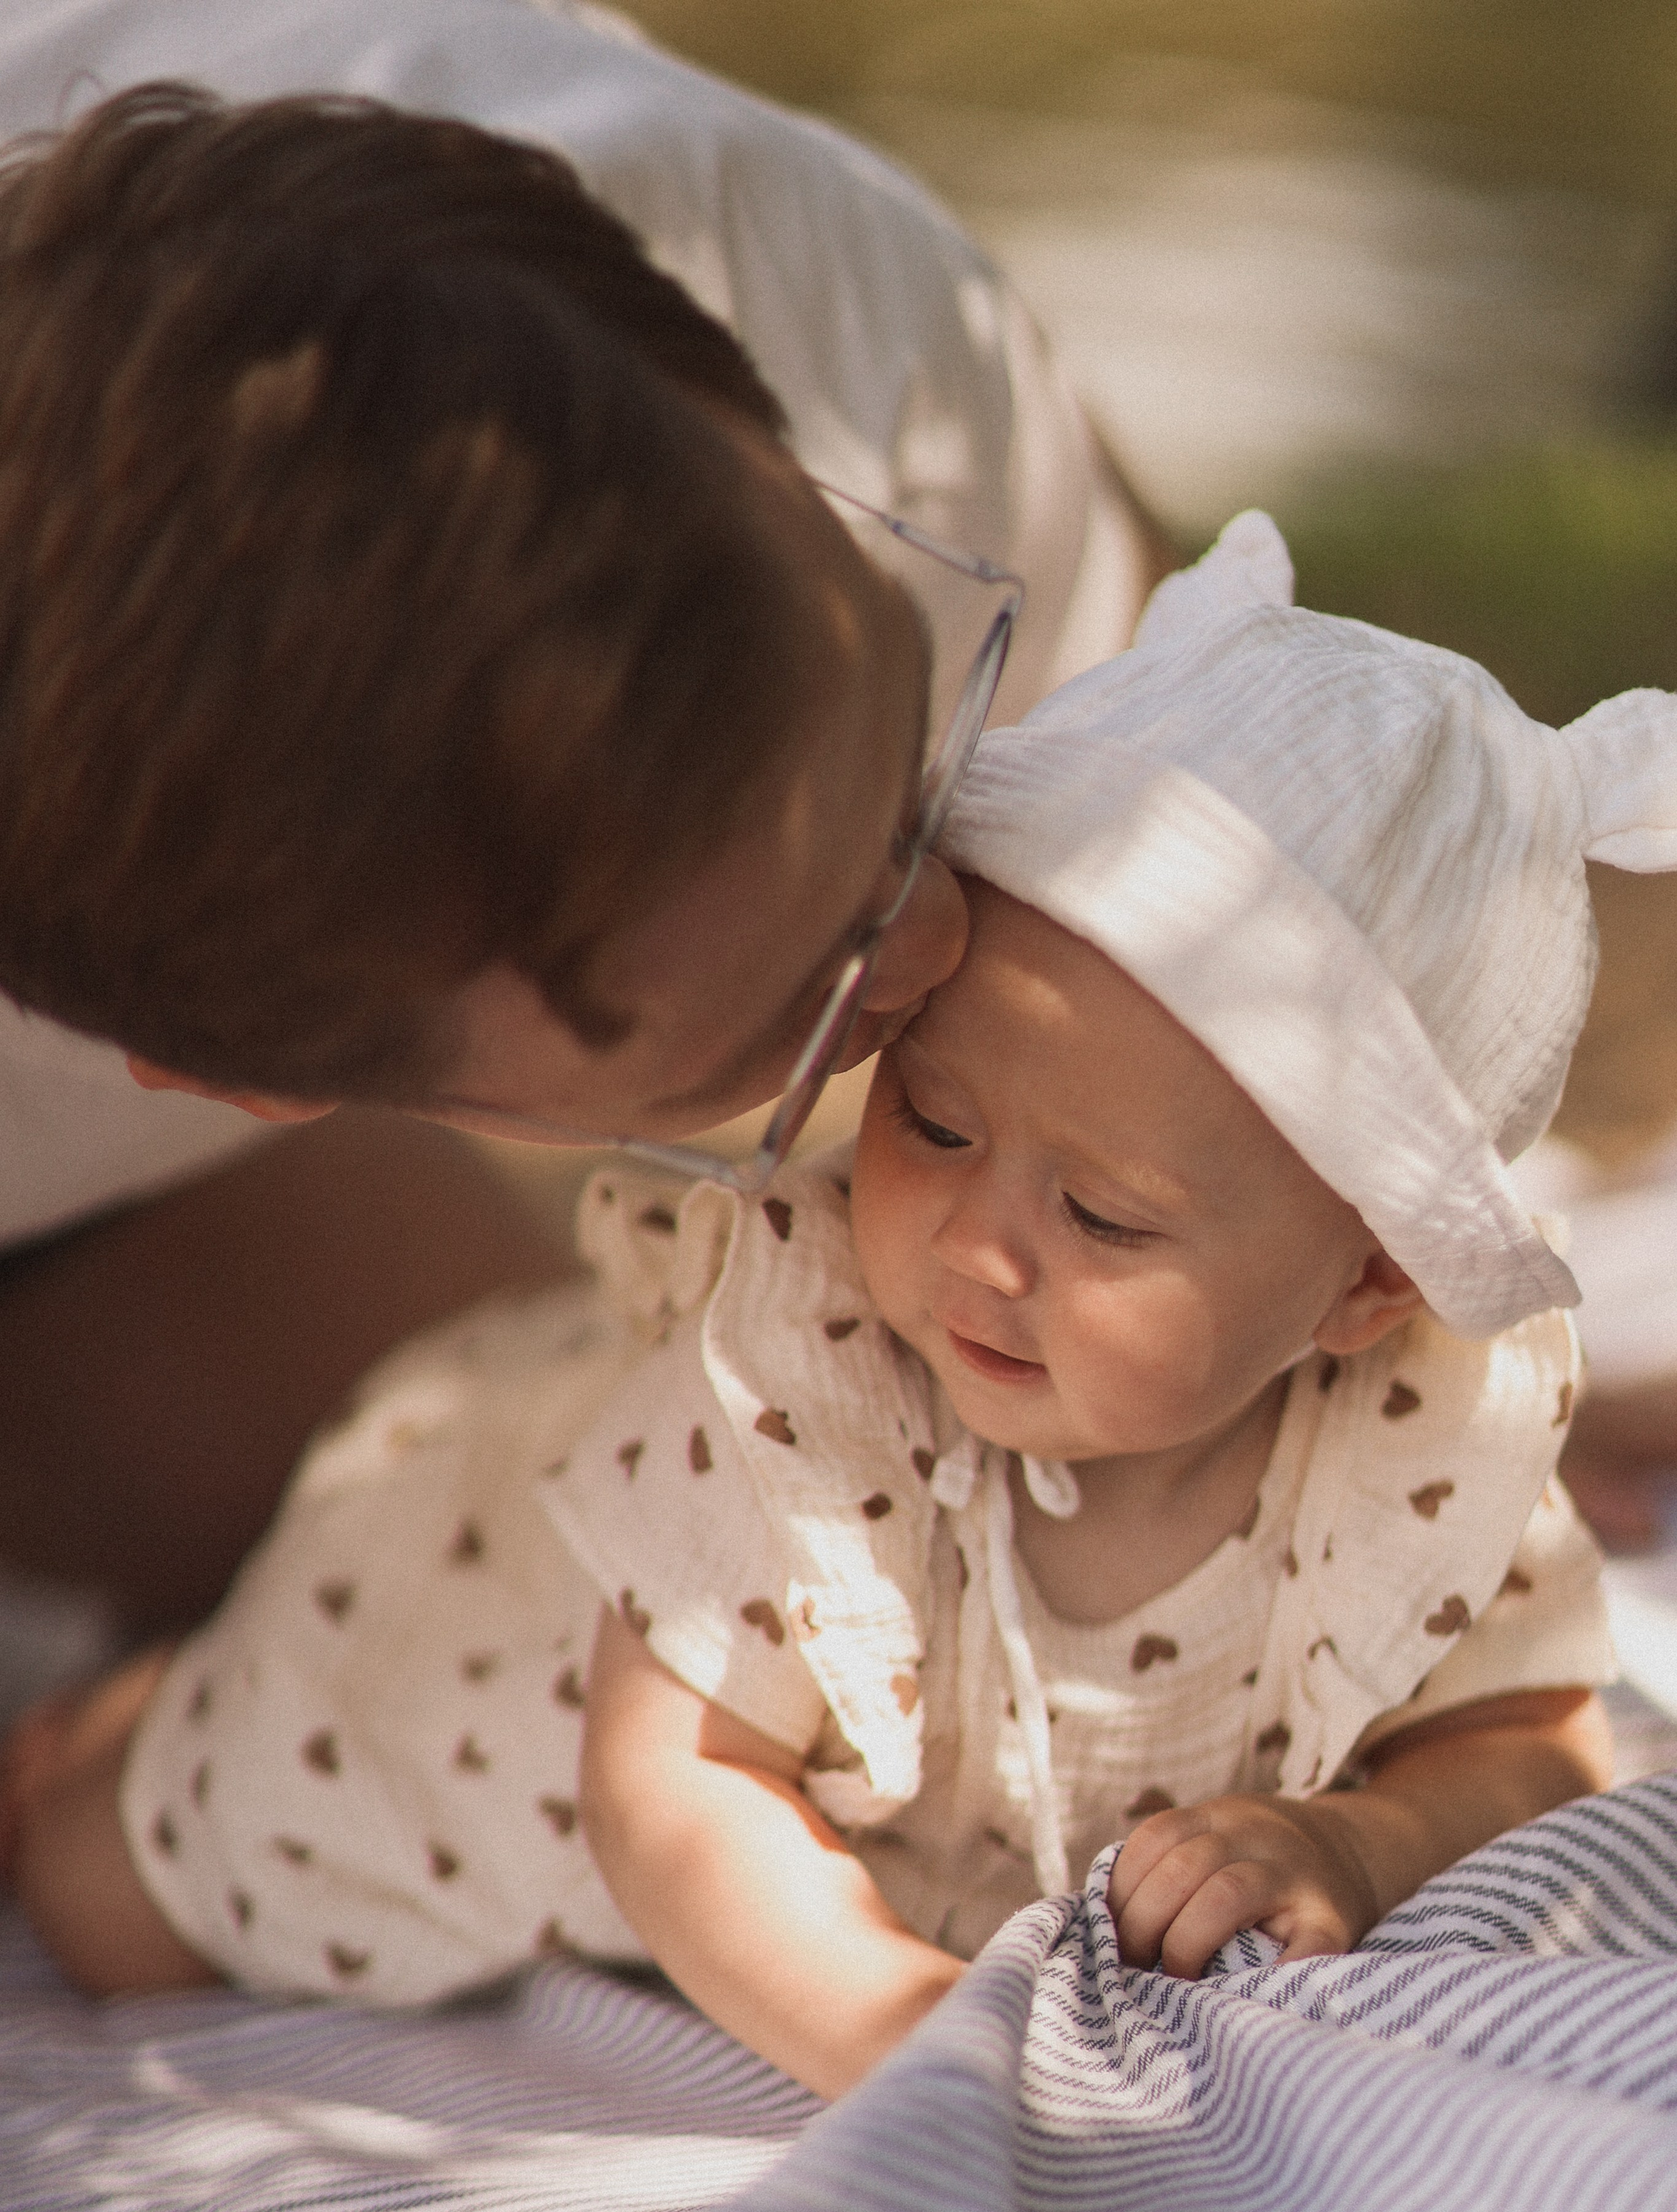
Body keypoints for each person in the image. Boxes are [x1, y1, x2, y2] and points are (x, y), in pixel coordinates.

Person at [14, 512, 1664, 2096]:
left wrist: (1354, 1839)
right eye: (931, 1123)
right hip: (491, 1669)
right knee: (110, 1899)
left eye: (1099, 1216)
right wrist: (900, 2030)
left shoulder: (1414, 1440)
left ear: (1365, 1283)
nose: (978, 1245)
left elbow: (1531, 1734)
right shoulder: (798, 1384)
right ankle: (124, 1720)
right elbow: (669, 1786)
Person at [0, 14, 1166, 1641]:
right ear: (256, 1081)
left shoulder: (818, 302)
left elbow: (1197, 858)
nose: (938, 935)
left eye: (906, 762)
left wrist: (1371, 1291)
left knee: (546, 1569)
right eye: (788, 998)